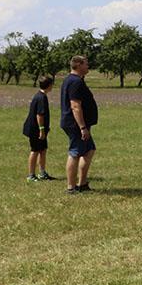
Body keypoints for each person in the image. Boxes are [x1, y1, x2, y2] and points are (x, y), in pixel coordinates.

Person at [61, 55, 98, 194]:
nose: (88, 66)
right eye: (86, 64)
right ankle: (71, 187)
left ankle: (82, 184)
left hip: (79, 124)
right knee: (75, 153)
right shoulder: (75, 82)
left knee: (89, 150)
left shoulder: (75, 80)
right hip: (75, 124)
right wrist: (82, 127)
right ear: (78, 65)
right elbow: (75, 106)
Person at [23, 76, 55, 182]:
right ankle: (31, 175)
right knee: (35, 150)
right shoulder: (41, 98)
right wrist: (41, 130)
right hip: (35, 130)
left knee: (43, 150)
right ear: (49, 85)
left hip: (41, 130)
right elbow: (39, 115)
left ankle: (42, 173)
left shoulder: (41, 95)